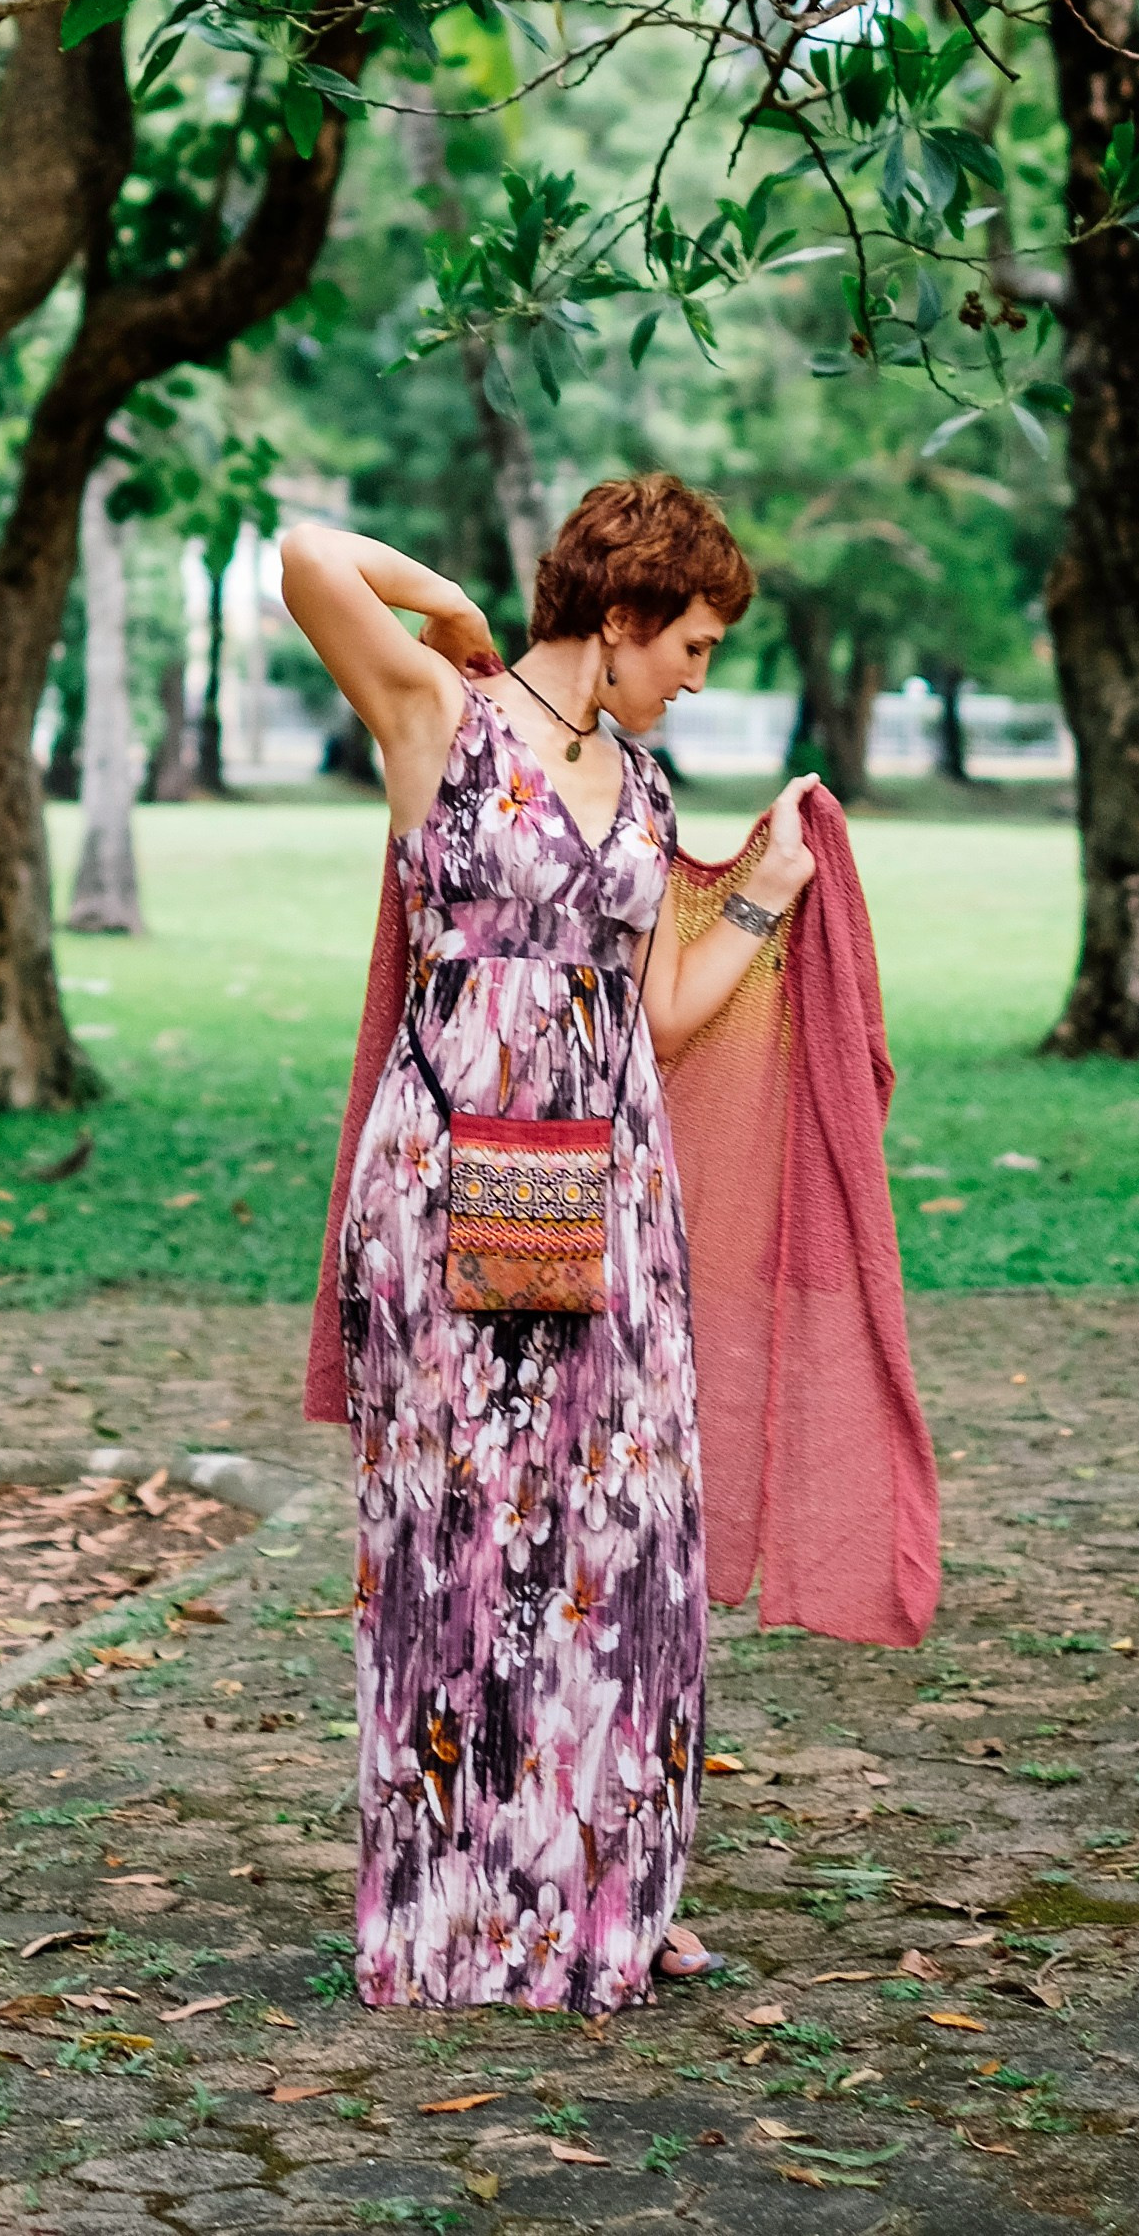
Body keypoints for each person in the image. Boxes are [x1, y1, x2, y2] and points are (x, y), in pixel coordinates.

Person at [279, 475, 822, 2016]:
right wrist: (450, 609)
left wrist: (765, 899)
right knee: (456, 1547)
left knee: (624, 1549)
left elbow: (648, 1013)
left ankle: (610, 1897)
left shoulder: (645, 792)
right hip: (446, 1187)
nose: (700, 672)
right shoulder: (442, 721)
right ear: (624, 609)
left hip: (608, 1196)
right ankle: (457, 1916)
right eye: (695, 641)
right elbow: (309, 555)